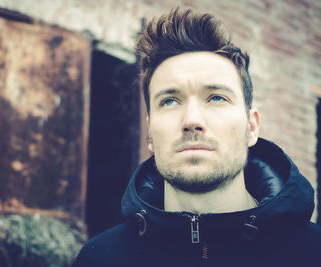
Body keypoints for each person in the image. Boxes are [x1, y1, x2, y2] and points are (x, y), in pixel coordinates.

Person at [73, 8, 321, 267]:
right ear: (149, 133)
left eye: (216, 97)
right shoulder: (100, 258)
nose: (192, 120)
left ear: (251, 127)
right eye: (170, 101)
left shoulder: (314, 254)